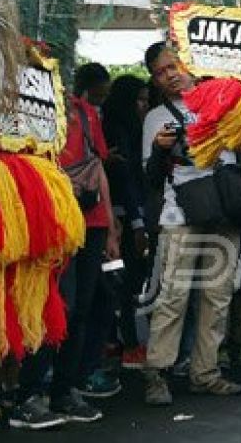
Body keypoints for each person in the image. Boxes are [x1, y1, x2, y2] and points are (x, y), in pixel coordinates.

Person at [11, 62, 121, 428]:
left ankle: (63, 390)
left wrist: (111, 227)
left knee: (81, 308)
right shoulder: (17, 110)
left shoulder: (85, 112)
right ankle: (28, 395)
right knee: (54, 306)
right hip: (50, 223)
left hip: (91, 223)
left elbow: (98, 166)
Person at [140, 42, 241, 404]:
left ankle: (206, 372)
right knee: (173, 296)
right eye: (160, 72)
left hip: (225, 211)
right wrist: (159, 149)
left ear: (189, 62)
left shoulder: (224, 100)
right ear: (154, 80)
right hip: (181, 214)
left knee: (218, 296)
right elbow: (151, 178)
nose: (169, 74)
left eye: (173, 65)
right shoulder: (156, 117)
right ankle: (157, 374)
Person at [100, 74, 153, 369]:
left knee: (116, 280)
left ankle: (116, 341)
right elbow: (127, 180)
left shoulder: (112, 127)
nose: (144, 106)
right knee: (125, 281)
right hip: (121, 220)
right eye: (140, 100)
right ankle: (128, 343)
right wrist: (137, 224)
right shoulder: (122, 131)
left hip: (117, 218)